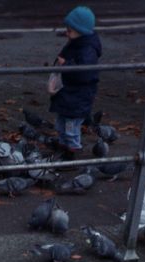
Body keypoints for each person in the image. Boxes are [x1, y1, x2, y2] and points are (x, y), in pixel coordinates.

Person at [50, 7, 102, 157]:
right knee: (61, 123)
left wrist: (65, 64)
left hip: (78, 95)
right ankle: (62, 143)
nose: (67, 33)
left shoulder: (87, 49)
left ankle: (72, 151)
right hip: (70, 93)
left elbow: (83, 72)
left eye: (70, 30)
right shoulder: (76, 42)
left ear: (81, 31)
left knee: (71, 127)